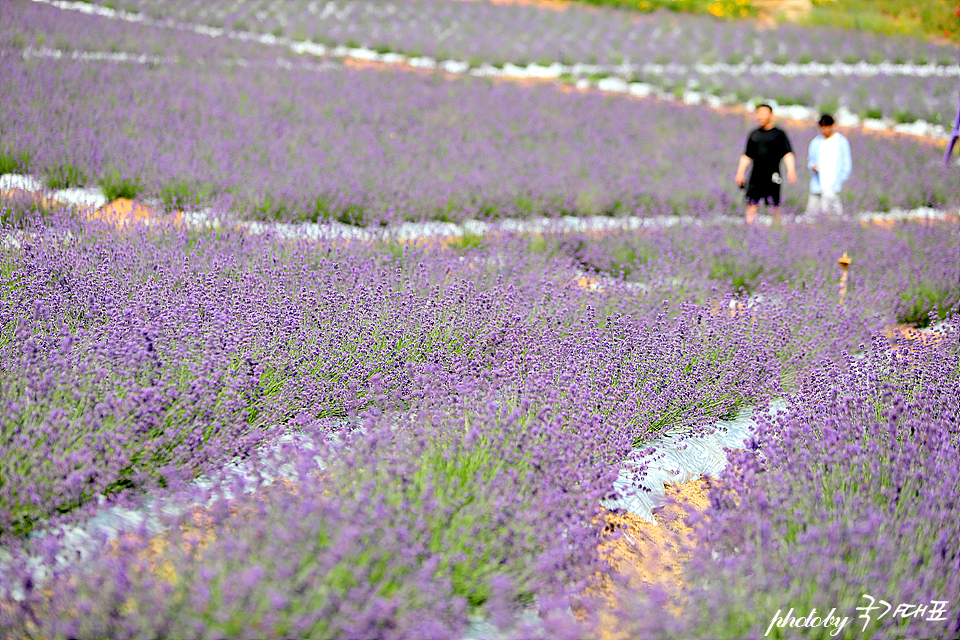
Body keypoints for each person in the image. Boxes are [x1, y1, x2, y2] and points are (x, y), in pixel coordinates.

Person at [735, 104, 797, 224]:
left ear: (771, 115)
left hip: (773, 175)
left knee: (774, 206)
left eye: (764, 114)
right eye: (759, 114)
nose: (761, 117)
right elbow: (747, 156)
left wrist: (791, 171)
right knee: (751, 205)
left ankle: (777, 229)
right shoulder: (754, 134)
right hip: (755, 176)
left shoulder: (779, 134)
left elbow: (787, 154)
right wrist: (740, 173)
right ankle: (749, 229)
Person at [806, 113, 852, 217]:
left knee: (835, 212)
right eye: (822, 127)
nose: (824, 129)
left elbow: (846, 163)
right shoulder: (816, 142)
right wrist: (813, 166)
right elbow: (810, 160)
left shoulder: (841, 141)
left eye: (827, 126)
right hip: (819, 181)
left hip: (833, 182)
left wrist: (842, 178)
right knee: (812, 212)